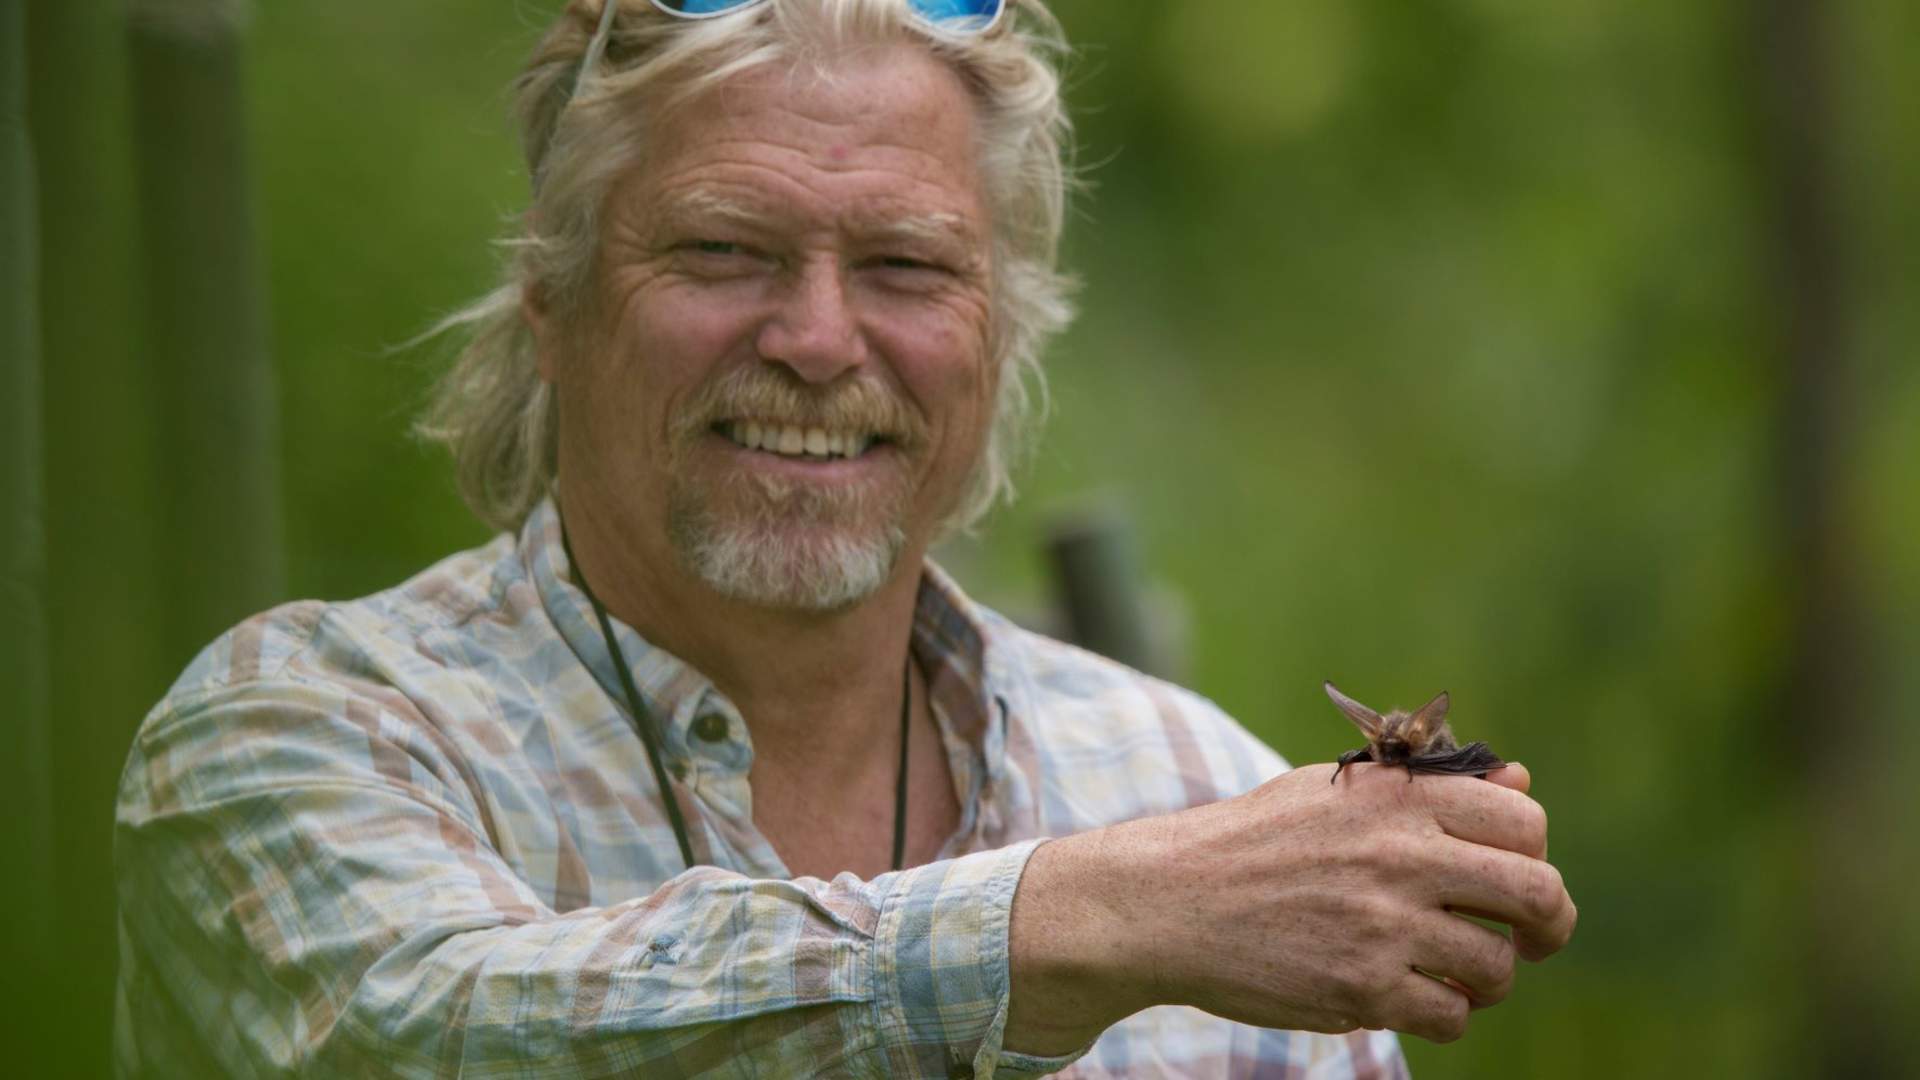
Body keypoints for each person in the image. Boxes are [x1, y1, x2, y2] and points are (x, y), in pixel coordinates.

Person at [113, 1, 1576, 1075]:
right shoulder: (293, 736)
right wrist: (1076, 923)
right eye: (722, 249)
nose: (818, 340)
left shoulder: (1196, 782)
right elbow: (425, 1038)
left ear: (1001, 335)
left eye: (904, 265)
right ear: (553, 306)